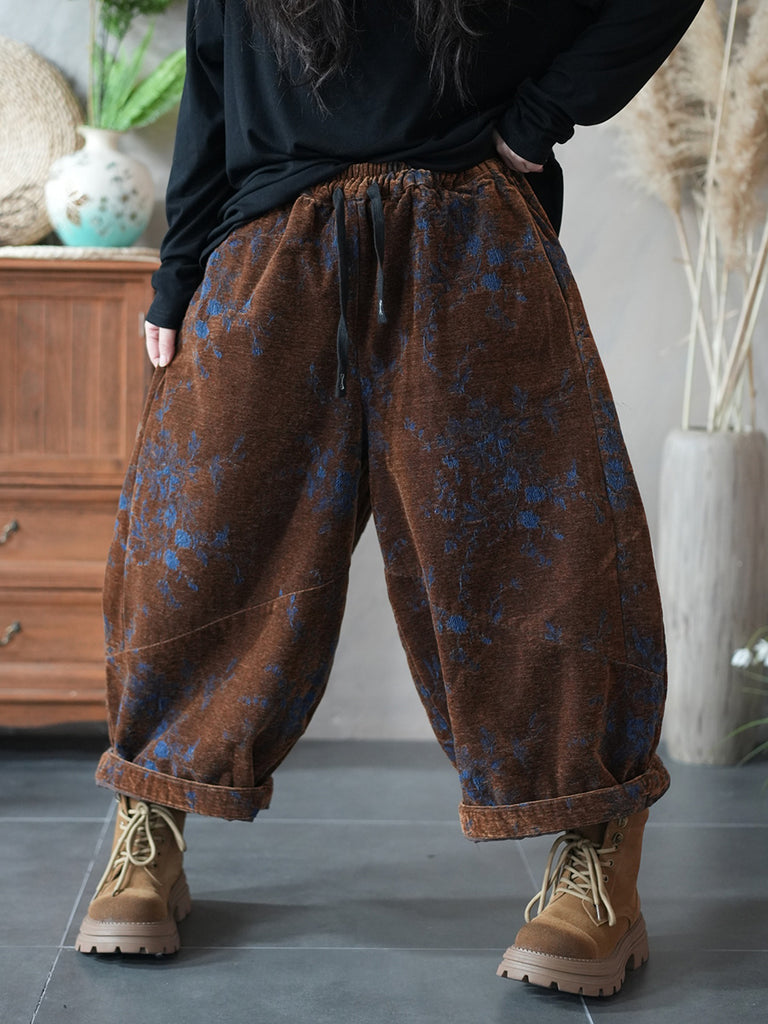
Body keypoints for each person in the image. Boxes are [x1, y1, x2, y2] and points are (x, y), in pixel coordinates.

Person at [75, 0, 704, 998]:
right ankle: (149, 823)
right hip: (269, 243)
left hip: (469, 232)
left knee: (536, 557)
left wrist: (537, 119)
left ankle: (596, 857)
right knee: (194, 545)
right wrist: (180, 266)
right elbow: (212, 75)